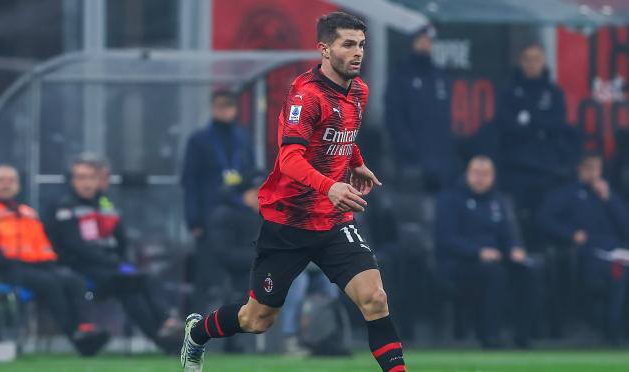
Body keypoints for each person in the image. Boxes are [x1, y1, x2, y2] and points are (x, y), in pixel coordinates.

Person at [181, 12, 405, 372]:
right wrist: (330, 185)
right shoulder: (307, 94)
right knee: (257, 320)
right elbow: (289, 159)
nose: (357, 52)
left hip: (333, 221)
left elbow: (342, 135)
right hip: (289, 222)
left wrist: (357, 162)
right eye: (348, 44)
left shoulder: (358, 90)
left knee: (375, 299)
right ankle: (197, 332)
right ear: (324, 49)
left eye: (361, 44)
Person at [46, 156, 183, 354]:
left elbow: (121, 238)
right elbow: (76, 246)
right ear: (73, 181)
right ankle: (166, 326)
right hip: (81, 269)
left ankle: (167, 336)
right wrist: (115, 263)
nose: (86, 183)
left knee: (133, 289)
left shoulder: (105, 204)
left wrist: (121, 261)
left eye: (91, 177)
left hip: (111, 269)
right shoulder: (65, 207)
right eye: (81, 177)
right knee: (136, 280)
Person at [0, 165, 110, 356]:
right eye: (1, 181)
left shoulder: (27, 211)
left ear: (18, 186)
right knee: (51, 285)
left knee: (74, 281)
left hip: (42, 264)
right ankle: (77, 337)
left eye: (11, 181)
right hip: (8, 269)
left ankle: (86, 328)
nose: (6, 185)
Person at [435, 156, 537, 348]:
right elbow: (446, 239)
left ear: (493, 176)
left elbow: (509, 233)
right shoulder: (449, 199)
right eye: (476, 173)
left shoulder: (499, 201)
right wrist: (478, 252)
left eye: (486, 174)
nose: (480, 178)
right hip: (459, 263)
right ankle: (490, 335)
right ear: (467, 174)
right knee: (495, 274)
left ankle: (524, 336)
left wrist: (515, 248)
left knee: (527, 272)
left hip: (496, 260)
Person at [539, 152, 629, 344]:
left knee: (621, 268)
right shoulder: (566, 193)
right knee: (620, 273)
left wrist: (609, 199)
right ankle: (613, 332)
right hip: (586, 254)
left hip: (616, 251)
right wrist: (571, 234)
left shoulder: (609, 195)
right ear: (580, 168)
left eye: (597, 168)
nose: (593, 173)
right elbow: (545, 220)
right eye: (589, 167)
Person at [496, 43, 578, 250]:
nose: (532, 64)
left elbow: (557, 125)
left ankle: (545, 266)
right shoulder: (509, 92)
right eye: (528, 59)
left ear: (544, 62)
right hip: (517, 169)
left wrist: (528, 121)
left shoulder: (554, 93)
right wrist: (538, 126)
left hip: (546, 170)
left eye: (536, 59)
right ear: (520, 62)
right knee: (518, 219)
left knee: (544, 217)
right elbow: (507, 126)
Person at [385, 24, 459, 192]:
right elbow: (393, 115)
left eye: (430, 41)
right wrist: (407, 147)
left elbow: (446, 117)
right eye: (422, 40)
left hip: (441, 160)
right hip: (412, 159)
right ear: (413, 42)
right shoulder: (401, 75)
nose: (426, 44)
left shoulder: (440, 76)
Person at [181, 90, 255, 240]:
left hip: (241, 212)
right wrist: (193, 219)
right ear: (212, 108)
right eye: (219, 105)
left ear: (235, 108)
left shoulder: (243, 138)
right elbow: (190, 180)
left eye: (229, 105)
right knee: (211, 258)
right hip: (209, 212)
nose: (224, 110)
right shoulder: (199, 140)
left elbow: (252, 174)